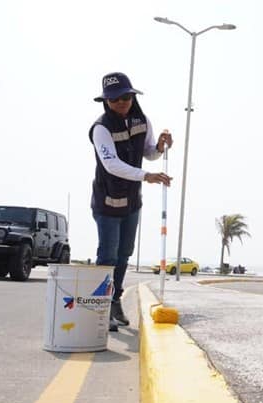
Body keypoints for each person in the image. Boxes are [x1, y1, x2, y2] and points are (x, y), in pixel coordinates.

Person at [90, 72, 173, 331]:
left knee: (124, 253)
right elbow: (111, 164)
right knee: (108, 254)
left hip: (131, 202)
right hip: (107, 201)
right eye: (114, 99)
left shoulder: (142, 120)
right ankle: (99, 309)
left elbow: (148, 153)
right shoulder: (101, 128)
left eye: (126, 97)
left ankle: (114, 301)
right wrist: (146, 176)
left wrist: (159, 147)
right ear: (106, 101)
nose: (121, 102)